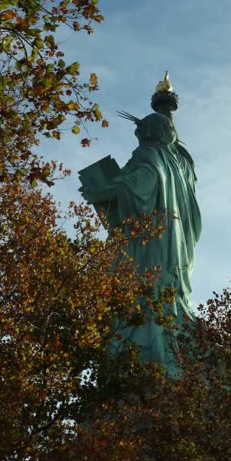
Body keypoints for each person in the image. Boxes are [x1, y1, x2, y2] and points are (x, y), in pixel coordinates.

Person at [80, 112, 201, 376]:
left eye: (141, 133)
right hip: (172, 245)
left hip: (151, 247)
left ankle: (149, 345)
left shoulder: (148, 156)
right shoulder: (176, 163)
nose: (138, 139)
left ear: (147, 134)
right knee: (160, 294)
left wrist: (99, 192)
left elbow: (137, 186)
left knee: (144, 291)